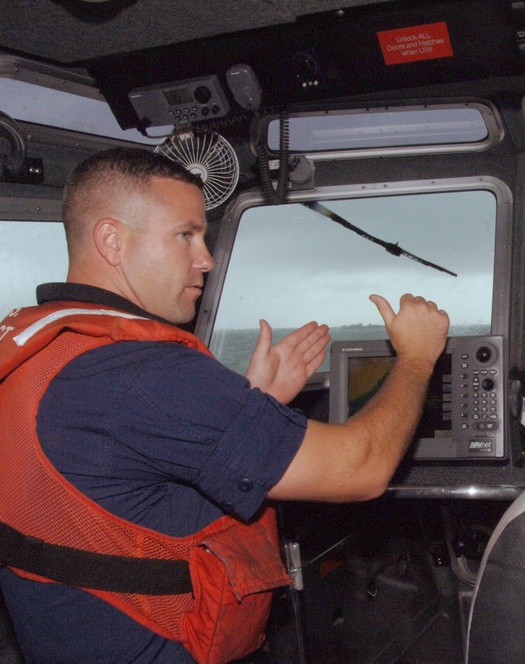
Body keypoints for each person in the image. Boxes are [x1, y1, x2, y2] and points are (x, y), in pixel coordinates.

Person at [0, 147, 450, 663]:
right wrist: (417, 357)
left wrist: (253, 403)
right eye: (185, 235)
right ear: (112, 240)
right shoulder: (143, 375)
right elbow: (364, 467)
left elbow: (117, 471)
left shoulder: (43, 349)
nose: (206, 258)